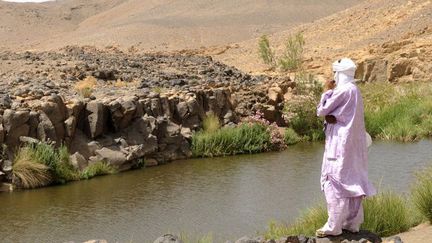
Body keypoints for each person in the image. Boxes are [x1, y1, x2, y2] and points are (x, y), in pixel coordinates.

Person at [315, 58, 376, 237]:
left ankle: (334, 226)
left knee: (334, 182)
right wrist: (331, 116)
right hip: (353, 147)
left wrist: (326, 91)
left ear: (340, 73)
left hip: (339, 146)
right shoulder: (354, 90)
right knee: (353, 182)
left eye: (336, 73)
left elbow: (321, 110)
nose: (334, 76)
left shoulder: (342, 90)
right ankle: (352, 224)